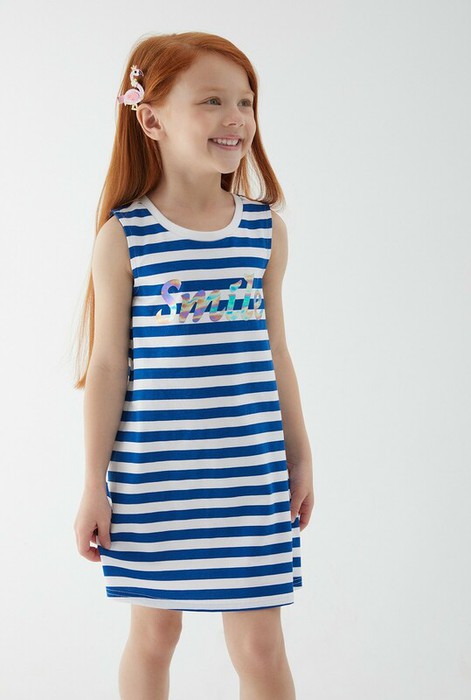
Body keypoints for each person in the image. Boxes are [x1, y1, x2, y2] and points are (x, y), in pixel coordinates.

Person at [73, 31, 315, 700]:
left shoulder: (264, 231)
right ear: (151, 120)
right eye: (212, 100)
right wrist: (93, 483)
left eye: (245, 101)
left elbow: (276, 352)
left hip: (250, 473)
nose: (236, 117)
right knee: (154, 636)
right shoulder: (125, 237)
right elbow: (107, 367)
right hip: (154, 477)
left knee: (261, 647)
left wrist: (299, 456)